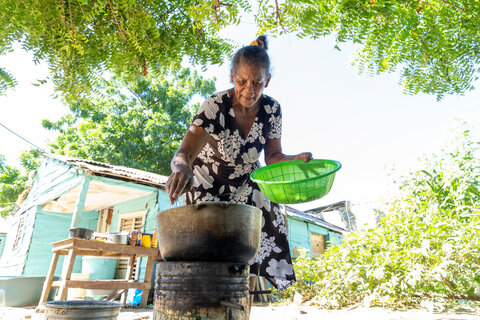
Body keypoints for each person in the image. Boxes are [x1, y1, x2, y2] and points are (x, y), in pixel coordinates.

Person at [166, 35, 312, 293]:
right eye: (242, 81)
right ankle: (205, 291)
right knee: (207, 238)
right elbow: (184, 153)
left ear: (267, 81)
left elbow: (273, 157)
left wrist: (294, 160)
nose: (249, 90)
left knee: (264, 215)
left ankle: (244, 290)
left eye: (257, 83)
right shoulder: (214, 106)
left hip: (246, 179)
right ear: (232, 76)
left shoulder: (272, 110)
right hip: (206, 179)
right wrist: (181, 169)